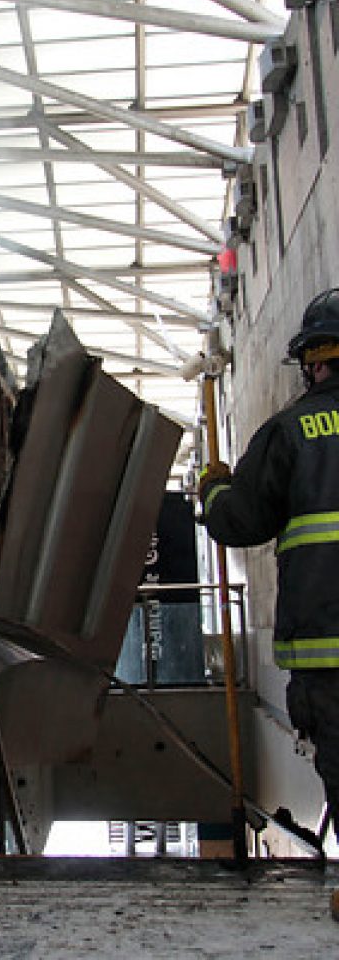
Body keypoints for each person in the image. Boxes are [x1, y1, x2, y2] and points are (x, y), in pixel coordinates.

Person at [199, 288, 339, 914]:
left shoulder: (292, 430)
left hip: (327, 648)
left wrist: (214, 488)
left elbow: (241, 522)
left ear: (313, 361)